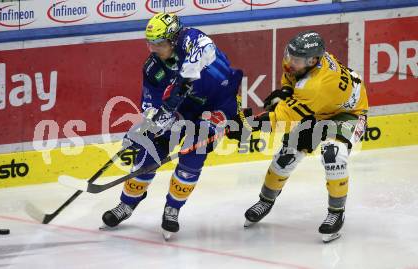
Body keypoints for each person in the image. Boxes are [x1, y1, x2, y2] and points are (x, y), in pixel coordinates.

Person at [101, 13, 246, 240]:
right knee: (150, 151)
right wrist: (147, 127)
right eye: (150, 43)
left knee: (193, 155)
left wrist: (184, 83)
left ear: (174, 38)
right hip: (180, 110)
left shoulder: (193, 40)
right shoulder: (153, 68)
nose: (153, 49)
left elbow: (202, 52)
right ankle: (127, 204)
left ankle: (173, 209)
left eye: (159, 43)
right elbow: (152, 106)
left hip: (217, 107)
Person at [243, 31, 368, 243]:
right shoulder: (303, 62)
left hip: (348, 114)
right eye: (289, 56)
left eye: (296, 60)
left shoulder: (316, 85)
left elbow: (281, 119)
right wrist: (285, 91)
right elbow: (291, 78)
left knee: (334, 155)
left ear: (313, 60)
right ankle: (266, 200)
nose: (290, 62)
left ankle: (336, 212)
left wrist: (245, 126)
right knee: (285, 156)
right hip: (318, 109)